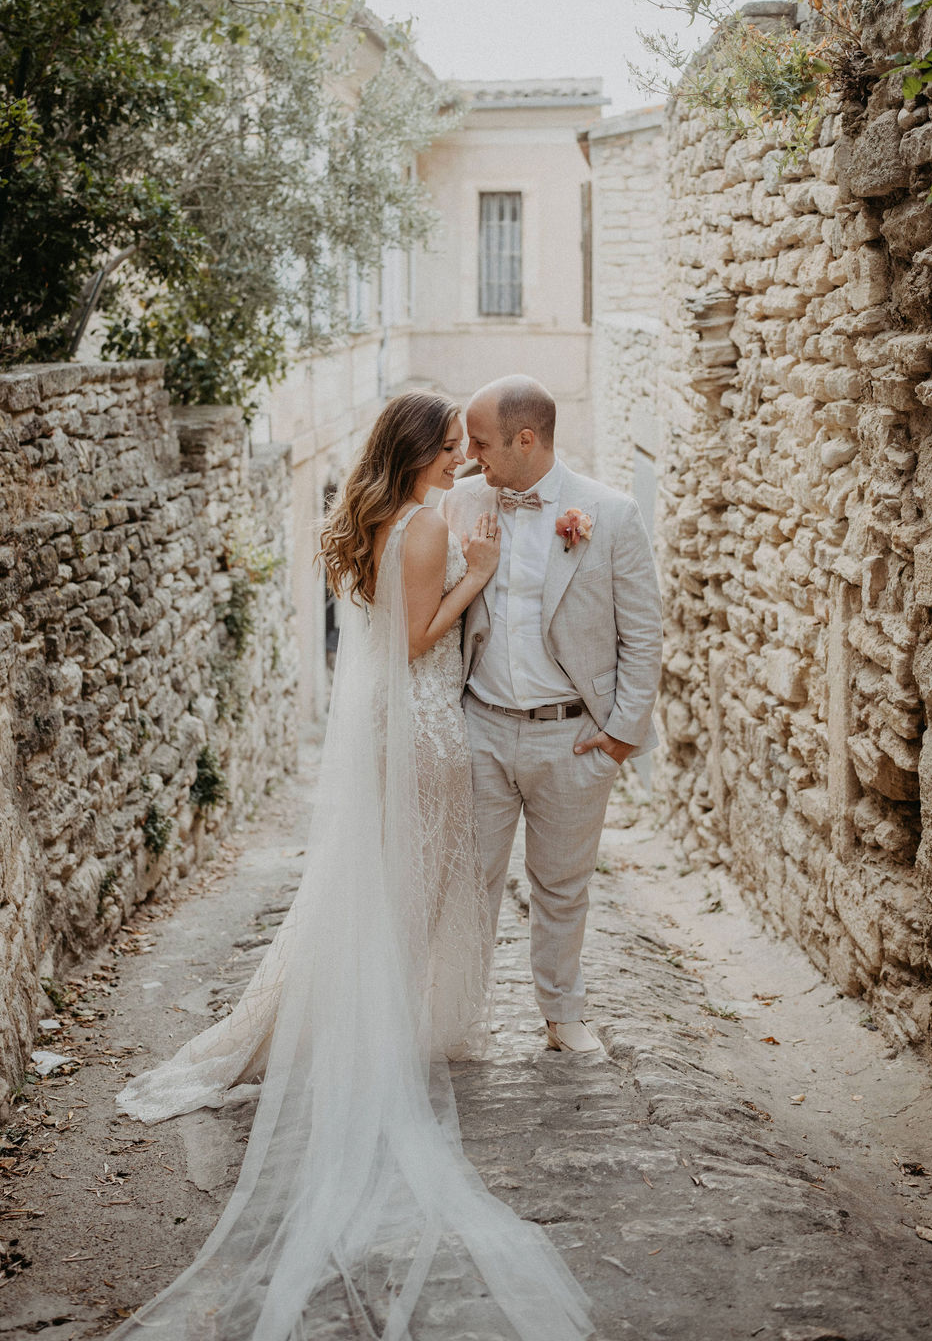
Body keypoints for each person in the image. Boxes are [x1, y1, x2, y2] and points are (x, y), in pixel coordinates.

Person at [110, 391, 593, 1340]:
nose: (464, 457)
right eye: (452, 446)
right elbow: (418, 639)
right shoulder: (416, 530)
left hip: (404, 725)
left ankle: (351, 1022)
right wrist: (481, 574)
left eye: (470, 445)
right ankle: (378, 1043)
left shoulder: (392, 516)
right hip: (421, 729)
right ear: (418, 453)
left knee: (387, 890)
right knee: (409, 893)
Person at [444, 375, 662, 1054]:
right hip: (480, 725)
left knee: (562, 888)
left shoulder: (611, 514)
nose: (471, 457)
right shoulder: (460, 503)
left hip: (573, 737)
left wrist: (621, 734)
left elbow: (644, 633)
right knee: (468, 884)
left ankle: (562, 1015)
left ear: (527, 439)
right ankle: (460, 1022)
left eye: (482, 444)